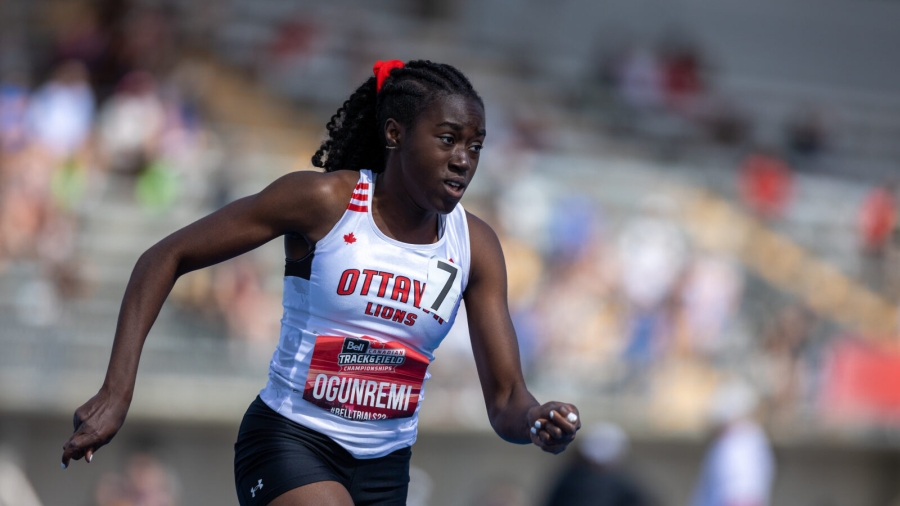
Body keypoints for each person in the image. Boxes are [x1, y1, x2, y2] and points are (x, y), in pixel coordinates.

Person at [60, 60, 581, 505]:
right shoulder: (327, 203)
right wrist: (116, 391)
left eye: (476, 145)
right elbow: (165, 256)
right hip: (291, 440)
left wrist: (536, 420)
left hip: (386, 467)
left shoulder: (476, 246)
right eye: (448, 139)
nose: (464, 159)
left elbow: (507, 397)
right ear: (395, 133)